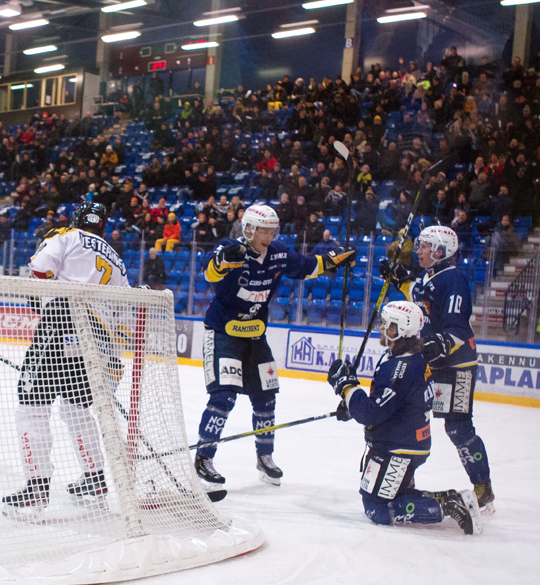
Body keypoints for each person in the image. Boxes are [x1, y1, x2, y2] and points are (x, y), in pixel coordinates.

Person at [193, 204, 356, 498]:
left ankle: (264, 456)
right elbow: (209, 272)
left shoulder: (279, 253)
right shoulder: (231, 248)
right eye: (263, 230)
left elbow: (306, 267)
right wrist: (220, 262)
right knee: (224, 397)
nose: (268, 236)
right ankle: (204, 457)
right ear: (249, 230)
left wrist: (331, 261)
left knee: (266, 397)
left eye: (272, 230)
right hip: (223, 332)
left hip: (256, 335)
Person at [2, 201, 129, 514]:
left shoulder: (66, 237)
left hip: (61, 319)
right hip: (97, 337)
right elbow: (125, 309)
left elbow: (40, 268)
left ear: (77, 219)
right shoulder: (116, 259)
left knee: (31, 406)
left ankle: (36, 487)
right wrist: (112, 357)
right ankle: (95, 479)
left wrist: (42, 296)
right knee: (76, 410)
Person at [326, 301, 480, 535]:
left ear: (401, 331)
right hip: (407, 443)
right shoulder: (410, 356)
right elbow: (386, 403)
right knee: (397, 496)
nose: (382, 329)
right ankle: (449, 498)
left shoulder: (400, 369)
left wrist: (347, 388)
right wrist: (352, 404)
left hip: (397, 449)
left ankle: (447, 506)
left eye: (388, 325)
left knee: (377, 508)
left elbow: (371, 412)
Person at [380, 225, 495, 512]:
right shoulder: (428, 276)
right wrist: (397, 278)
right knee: (410, 417)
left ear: (440, 251)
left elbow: (456, 327)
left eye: (423, 246)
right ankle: (405, 482)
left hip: (458, 365)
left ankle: (483, 488)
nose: (418, 250)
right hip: (432, 362)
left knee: (458, 428)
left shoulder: (453, 279)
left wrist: (441, 344)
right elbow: (417, 296)